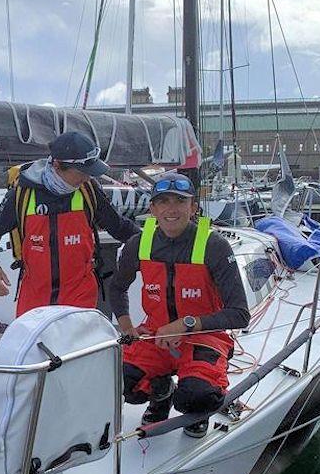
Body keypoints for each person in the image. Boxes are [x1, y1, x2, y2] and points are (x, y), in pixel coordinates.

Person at [107, 171, 250, 438]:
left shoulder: (214, 246)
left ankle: (197, 410)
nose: (171, 209)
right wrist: (126, 327)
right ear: (153, 208)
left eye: (180, 201)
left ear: (193, 207)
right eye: (163, 202)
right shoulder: (138, 244)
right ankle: (161, 393)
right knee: (118, 384)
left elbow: (240, 314)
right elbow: (117, 287)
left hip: (203, 336)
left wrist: (185, 325)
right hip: (155, 336)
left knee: (196, 396)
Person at [0, 130, 139, 316]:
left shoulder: (89, 191)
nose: (87, 178)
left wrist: (157, 240)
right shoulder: (21, 195)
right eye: (82, 173)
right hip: (34, 298)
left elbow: (120, 228)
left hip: (80, 296)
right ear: (57, 165)